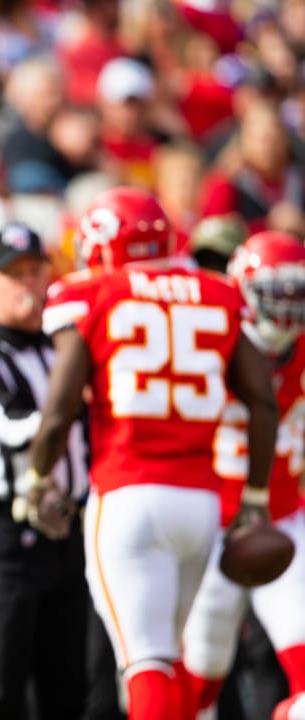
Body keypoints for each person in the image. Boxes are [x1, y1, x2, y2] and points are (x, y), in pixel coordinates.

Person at [31, 187, 278, 719]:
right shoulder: (215, 291)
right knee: (168, 656)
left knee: (146, 661)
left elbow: (58, 410)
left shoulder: (94, 293)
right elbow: (263, 400)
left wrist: (35, 479)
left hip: (127, 493)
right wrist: (255, 495)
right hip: (202, 503)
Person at [0, 223, 90, 720]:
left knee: (69, 678)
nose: (30, 285)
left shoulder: (60, 347)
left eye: (36, 273)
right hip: (5, 528)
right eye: (16, 275)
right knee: (2, 674)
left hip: (67, 527)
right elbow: (13, 428)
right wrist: (72, 402)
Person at [183, 231, 305, 718]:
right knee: (197, 680)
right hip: (213, 526)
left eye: (298, 294)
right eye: (278, 294)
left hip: (284, 522)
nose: (288, 309)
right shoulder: (208, 339)